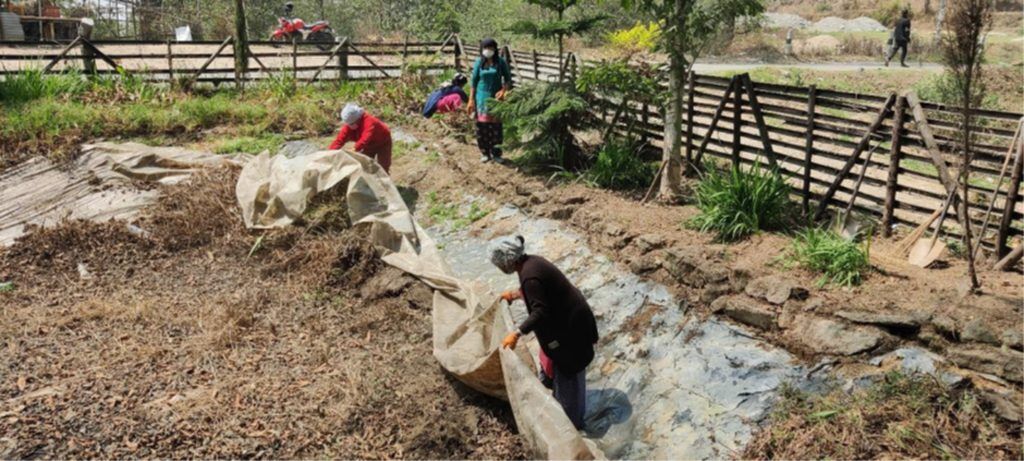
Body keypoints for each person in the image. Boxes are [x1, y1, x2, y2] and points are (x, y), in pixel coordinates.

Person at [491, 235, 599, 430]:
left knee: (569, 374)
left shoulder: (529, 274)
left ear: (508, 260)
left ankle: (572, 427)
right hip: (570, 322)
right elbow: (539, 291)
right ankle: (564, 403)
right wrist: (515, 294)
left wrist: (517, 333)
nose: (499, 268)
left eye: (499, 264)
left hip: (571, 330)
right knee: (556, 366)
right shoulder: (531, 263)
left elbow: (541, 311)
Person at [468, 38, 513, 164]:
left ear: (495, 50)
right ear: (482, 49)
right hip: (481, 99)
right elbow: (474, 83)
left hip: (496, 99)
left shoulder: (500, 63)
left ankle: (497, 153)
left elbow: (508, 80)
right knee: (482, 127)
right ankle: (485, 153)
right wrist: (471, 100)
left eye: (492, 48)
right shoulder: (478, 63)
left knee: (496, 128)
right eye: (486, 48)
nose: (489, 51)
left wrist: (503, 90)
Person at [328, 103, 393, 173]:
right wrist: (330, 152)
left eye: (352, 124)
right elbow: (339, 140)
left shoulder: (369, 121)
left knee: (383, 165)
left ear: (358, 119)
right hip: (368, 146)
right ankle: (369, 180)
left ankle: (384, 181)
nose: (350, 126)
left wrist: (355, 148)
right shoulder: (349, 127)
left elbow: (365, 138)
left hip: (383, 142)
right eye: (348, 124)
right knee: (365, 164)